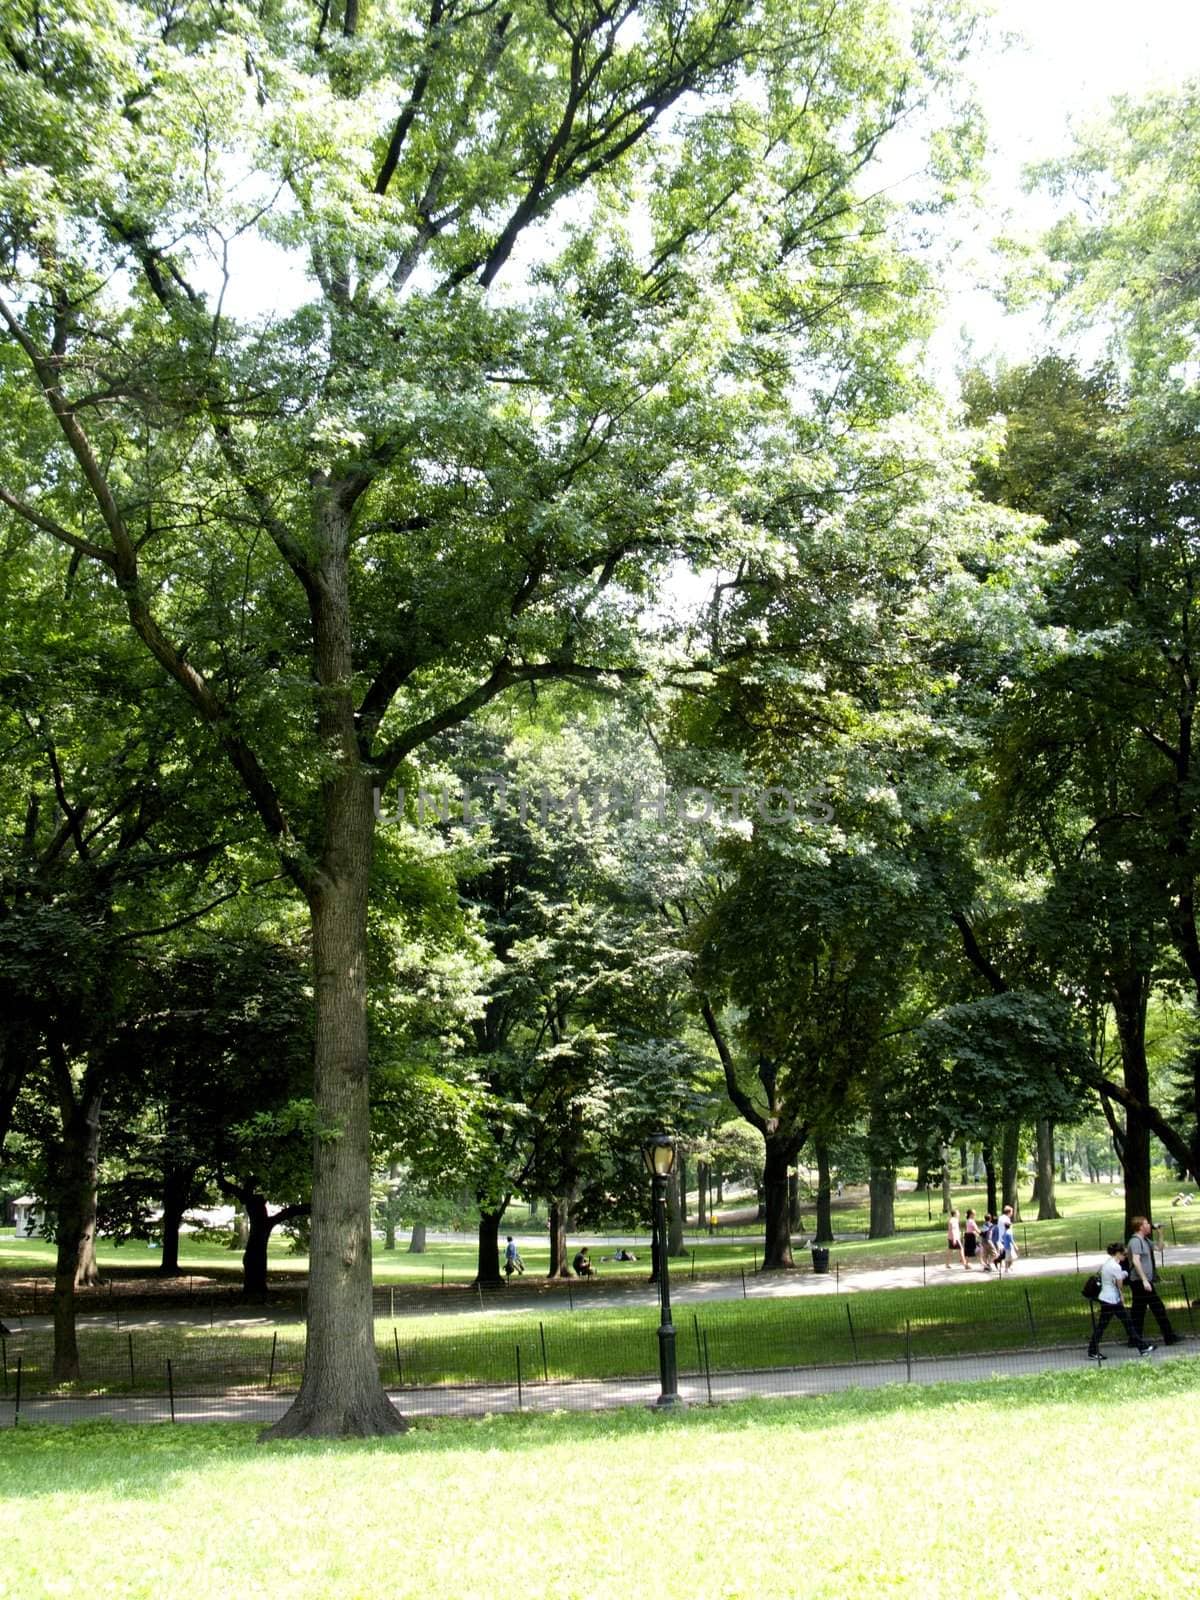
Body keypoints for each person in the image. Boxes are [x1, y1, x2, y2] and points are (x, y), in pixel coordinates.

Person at [1087, 1243, 1155, 1360]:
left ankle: (1092, 1350)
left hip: (1106, 1298)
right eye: (1124, 1254)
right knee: (1127, 1323)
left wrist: (1122, 1274)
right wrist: (1123, 1278)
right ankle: (1142, 1347)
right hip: (1112, 1300)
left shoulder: (1108, 1263)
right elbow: (1119, 1284)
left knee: (1104, 1326)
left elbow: (1113, 1279)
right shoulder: (1115, 1267)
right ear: (1117, 1254)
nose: (1125, 1256)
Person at [1125, 1216, 1180, 1345]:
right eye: (1146, 1224)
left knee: (1139, 1310)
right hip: (1140, 1282)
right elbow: (1136, 1261)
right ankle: (1169, 1337)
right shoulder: (1135, 1241)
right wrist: (1144, 1280)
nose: (1149, 1226)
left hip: (1144, 1281)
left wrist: (1160, 1234)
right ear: (1140, 1227)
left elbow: (1159, 1248)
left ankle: (1135, 1339)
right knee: (1157, 1308)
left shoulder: (1145, 1240)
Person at [998, 1205, 1018, 1273]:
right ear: (1009, 1212)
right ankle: (1009, 1267)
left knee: (1006, 1254)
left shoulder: (1000, 1217)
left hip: (1001, 1237)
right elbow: (1008, 1228)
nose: (1012, 1213)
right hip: (1007, 1238)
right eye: (1012, 1212)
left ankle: (1008, 1267)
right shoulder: (1007, 1219)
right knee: (1010, 1254)